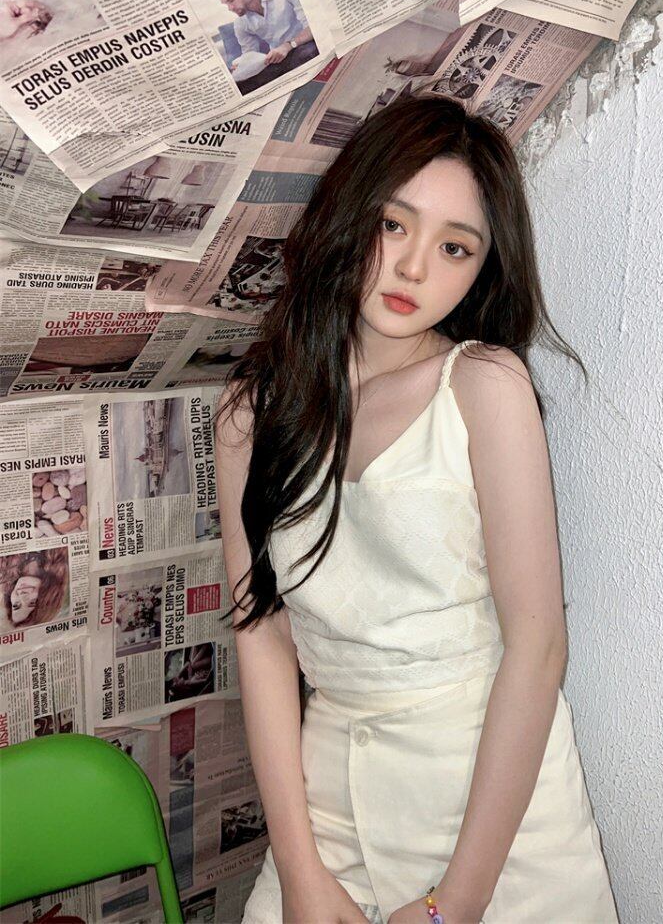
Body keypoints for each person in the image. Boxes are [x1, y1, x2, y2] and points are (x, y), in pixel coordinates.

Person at [214, 94, 619, 923]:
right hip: (325, 805)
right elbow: (262, 639)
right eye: (393, 225)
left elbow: (538, 647)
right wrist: (298, 869)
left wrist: (454, 903)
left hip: (492, 812)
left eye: (454, 246)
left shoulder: (484, 385)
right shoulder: (250, 413)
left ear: (482, 268)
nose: (412, 268)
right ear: (348, 212)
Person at [210, 0, 319, 93]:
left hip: (305, 45)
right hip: (278, 61)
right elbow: (250, 54)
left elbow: (314, 25)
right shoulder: (240, 24)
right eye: (226, 4)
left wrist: (288, 45)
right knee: (240, 86)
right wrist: (242, 66)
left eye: (232, 0)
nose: (230, 8)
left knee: (305, 54)